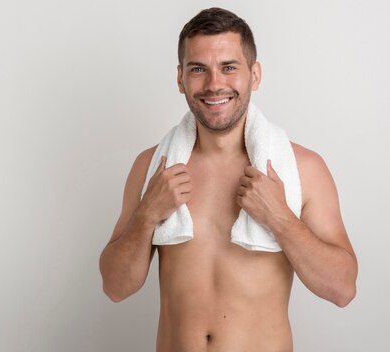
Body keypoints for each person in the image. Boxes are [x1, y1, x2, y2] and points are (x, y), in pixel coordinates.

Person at [98, 7, 358, 352]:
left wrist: (280, 219)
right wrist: (147, 214)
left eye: (229, 67)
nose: (214, 84)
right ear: (180, 79)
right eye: (198, 69)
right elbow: (115, 287)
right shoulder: (153, 167)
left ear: (255, 75)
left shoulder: (302, 168)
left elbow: (342, 290)